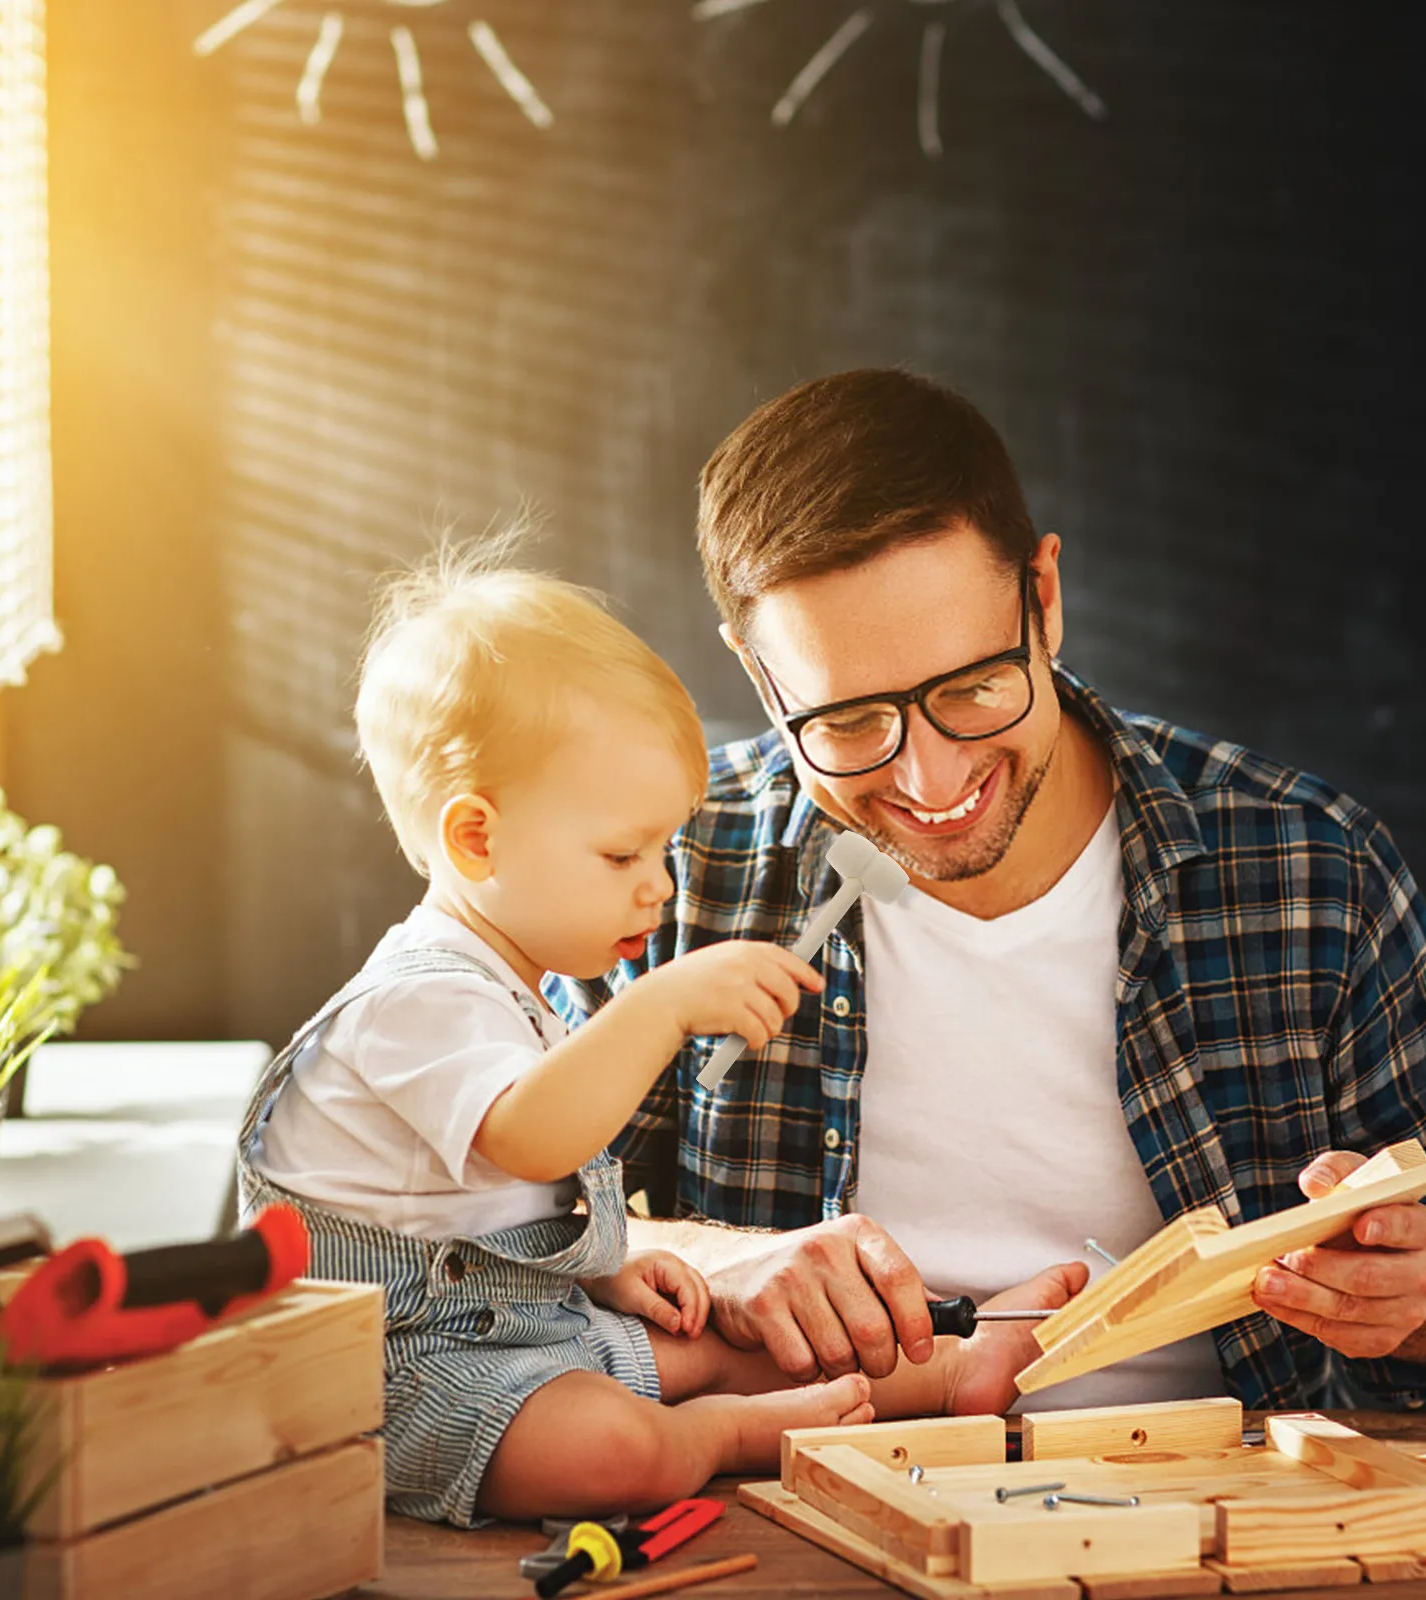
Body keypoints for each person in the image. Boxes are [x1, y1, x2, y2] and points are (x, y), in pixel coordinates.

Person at [550, 368, 1426, 1414]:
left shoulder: (1308, 867)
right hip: (808, 1502)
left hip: (1233, 1514)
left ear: (1045, 597)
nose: (927, 783)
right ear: (759, 677)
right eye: (846, 725)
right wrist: (709, 1259)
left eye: (973, 688)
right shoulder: (680, 864)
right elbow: (478, 1219)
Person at [237, 547, 1077, 1528]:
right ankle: (721, 1436)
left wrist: (606, 1265)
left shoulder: (505, 990)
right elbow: (529, 1138)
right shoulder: (412, 1003)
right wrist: (663, 1003)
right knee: (612, 1442)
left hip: (516, 1325)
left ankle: (952, 1372)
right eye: (621, 853)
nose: (659, 887)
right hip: (399, 1367)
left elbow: (477, 1202)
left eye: (665, 848)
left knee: (727, 1336)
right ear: (475, 839)